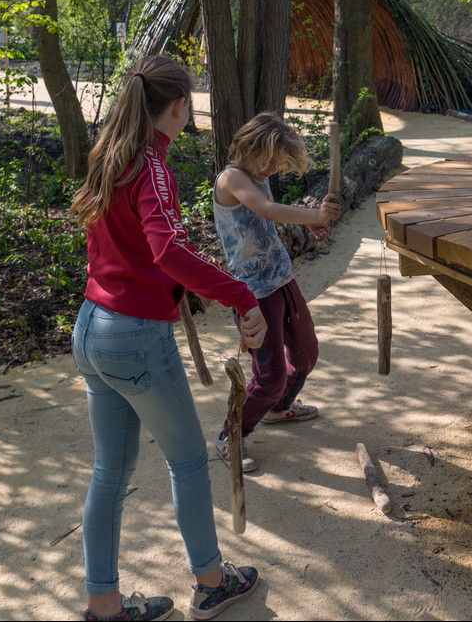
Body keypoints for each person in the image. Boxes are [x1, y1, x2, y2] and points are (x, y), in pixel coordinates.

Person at [69, 55, 264, 621]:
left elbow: (137, 253)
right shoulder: (151, 164)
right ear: (179, 106)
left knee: (110, 470)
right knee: (187, 461)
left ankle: (104, 605)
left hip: (91, 327)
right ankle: (210, 581)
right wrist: (240, 295)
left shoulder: (111, 154)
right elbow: (168, 252)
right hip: (132, 336)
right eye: (192, 104)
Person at [212, 112, 342, 473]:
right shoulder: (232, 178)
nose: (271, 168)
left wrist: (312, 221)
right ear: (247, 147)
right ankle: (231, 436)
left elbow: (267, 218)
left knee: (305, 353)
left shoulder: (257, 176)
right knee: (269, 375)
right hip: (253, 294)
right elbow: (264, 208)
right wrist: (313, 211)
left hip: (282, 279)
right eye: (267, 160)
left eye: (277, 163)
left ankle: (278, 407)